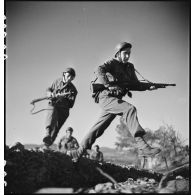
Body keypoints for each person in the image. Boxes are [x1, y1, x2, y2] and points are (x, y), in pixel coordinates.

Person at [70, 42, 161, 162]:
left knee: (99, 128)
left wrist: (148, 87)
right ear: (118, 53)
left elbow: (135, 85)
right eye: (125, 53)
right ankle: (143, 146)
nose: (127, 56)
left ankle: (78, 152)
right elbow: (99, 69)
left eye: (129, 54)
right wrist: (108, 85)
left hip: (115, 100)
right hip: (105, 96)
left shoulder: (129, 67)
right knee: (130, 109)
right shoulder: (112, 63)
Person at [42, 67, 77, 149]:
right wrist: (49, 93)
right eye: (68, 76)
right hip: (53, 104)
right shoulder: (57, 81)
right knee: (51, 114)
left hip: (63, 111)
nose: (69, 78)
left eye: (71, 77)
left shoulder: (73, 90)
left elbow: (71, 105)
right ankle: (47, 133)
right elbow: (49, 89)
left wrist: (62, 98)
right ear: (64, 74)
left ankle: (47, 145)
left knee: (56, 129)